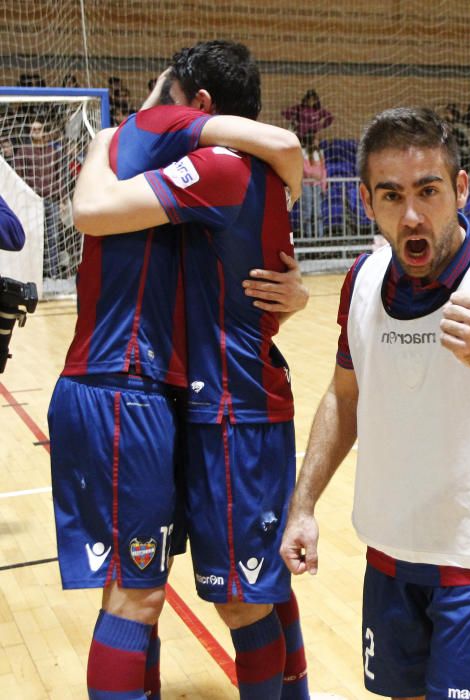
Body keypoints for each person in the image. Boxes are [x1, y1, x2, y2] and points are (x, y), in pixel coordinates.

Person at [52, 40, 309, 699]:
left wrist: (103, 145)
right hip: (159, 397)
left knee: (239, 592)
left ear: (194, 106)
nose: (152, 109)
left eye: (160, 94)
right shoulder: (209, 175)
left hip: (229, 407)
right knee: (178, 589)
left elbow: (97, 194)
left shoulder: (218, 165)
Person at [280, 106, 470, 697]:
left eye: (428, 191)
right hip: (388, 553)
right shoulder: (360, 280)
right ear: (366, 202)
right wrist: (303, 503)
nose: (412, 215)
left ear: (460, 189)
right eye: (391, 196)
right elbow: (345, 395)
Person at [13, 118, 63, 276]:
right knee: (33, 238)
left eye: (38, 129)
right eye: (33, 129)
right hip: (32, 201)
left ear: (44, 131)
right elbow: (18, 176)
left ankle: (53, 274)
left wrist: (62, 200)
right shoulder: (23, 150)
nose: (35, 132)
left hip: (51, 199)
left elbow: (59, 176)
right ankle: (35, 274)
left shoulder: (53, 152)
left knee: (52, 238)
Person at [301, 132, 327, 237]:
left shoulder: (320, 153)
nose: (318, 141)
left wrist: (323, 185)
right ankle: (308, 235)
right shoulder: (303, 153)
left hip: (317, 185)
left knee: (318, 211)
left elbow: (323, 171)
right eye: (316, 139)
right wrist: (313, 175)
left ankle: (319, 235)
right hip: (307, 184)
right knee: (308, 211)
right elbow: (305, 170)